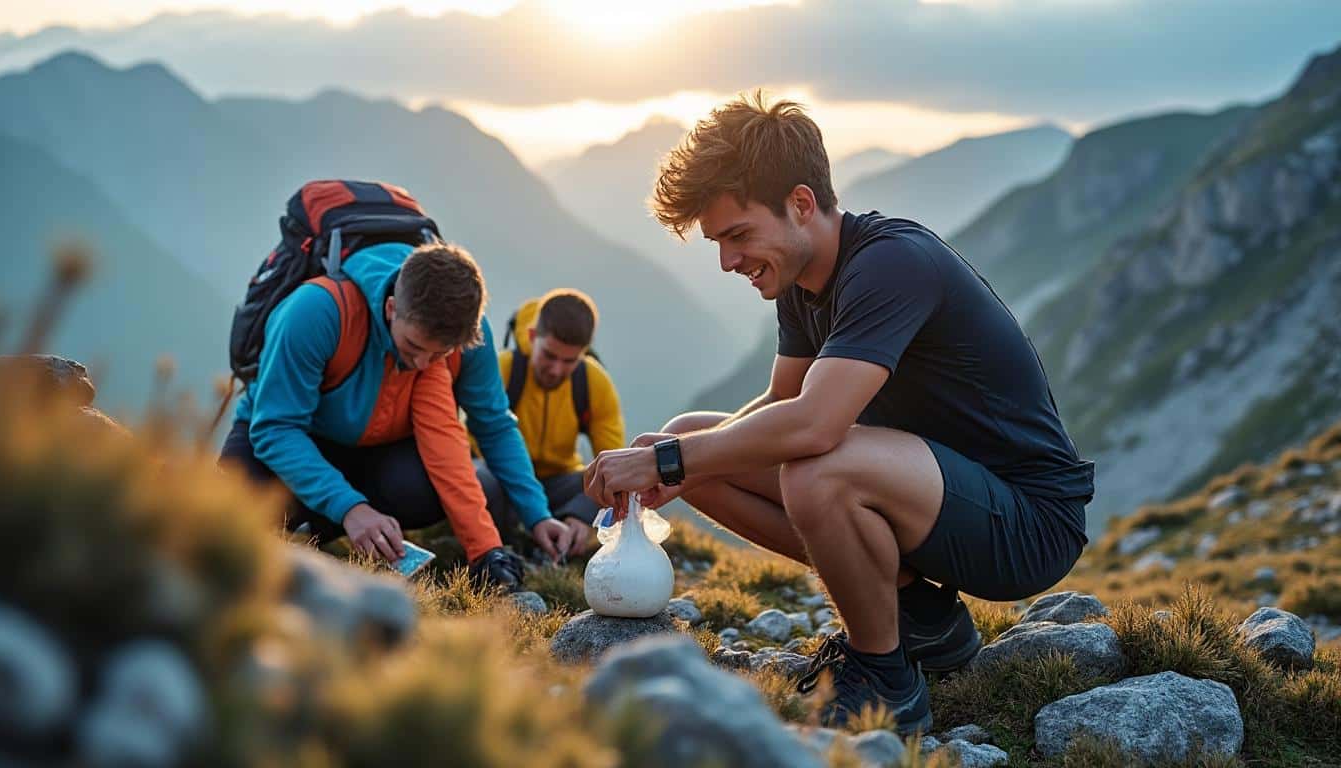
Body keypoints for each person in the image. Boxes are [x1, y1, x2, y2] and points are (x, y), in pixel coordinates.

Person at [582, 93, 1093, 734]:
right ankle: (922, 620)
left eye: (739, 236)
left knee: (812, 470)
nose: (728, 261)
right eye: (718, 242)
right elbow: (779, 405)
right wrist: (676, 455)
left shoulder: (891, 263)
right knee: (695, 441)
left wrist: (666, 462)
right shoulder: (801, 281)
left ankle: (885, 680)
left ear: (801, 203)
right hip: (939, 499)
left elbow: (814, 424)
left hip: (1026, 523)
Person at [221, 242, 575, 589]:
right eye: (413, 347)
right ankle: (326, 521)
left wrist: (538, 515)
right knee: (233, 506)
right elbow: (275, 428)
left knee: (432, 490)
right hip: (290, 440)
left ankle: (329, 524)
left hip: (381, 452)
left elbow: (494, 426)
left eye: (439, 355)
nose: (422, 364)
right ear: (391, 308)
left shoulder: (469, 335)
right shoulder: (317, 311)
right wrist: (350, 507)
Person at [476, 289, 625, 555]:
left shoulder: (595, 383)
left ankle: (563, 533)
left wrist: (583, 513)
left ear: (583, 352)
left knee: (602, 482)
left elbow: (615, 465)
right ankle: (501, 543)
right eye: (549, 355)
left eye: (569, 361)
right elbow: (470, 441)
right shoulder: (502, 370)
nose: (556, 370)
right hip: (501, 478)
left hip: (558, 483)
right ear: (533, 336)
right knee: (480, 480)